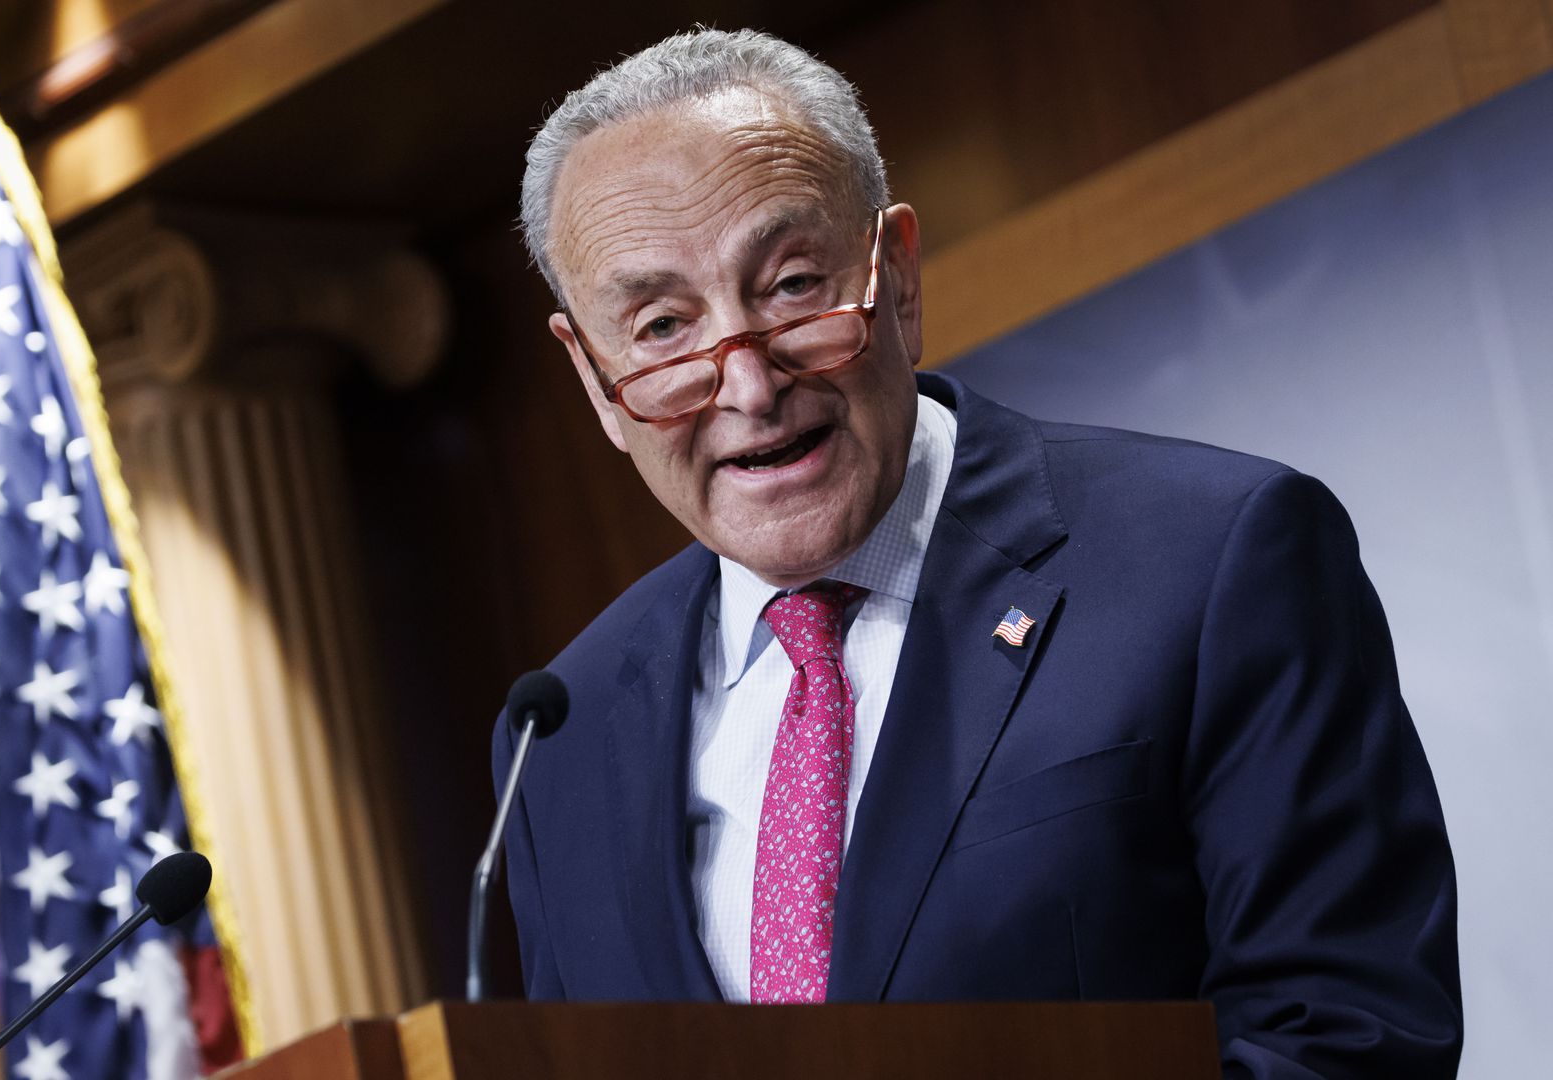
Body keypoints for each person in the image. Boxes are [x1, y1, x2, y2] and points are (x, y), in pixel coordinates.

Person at [492, 27, 1461, 1078]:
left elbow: (1352, 1040)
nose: (750, 384)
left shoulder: (1216, 557)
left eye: (790, 286)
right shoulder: (560, 734)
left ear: (897, 276)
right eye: (664, 327)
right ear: (594, 380)